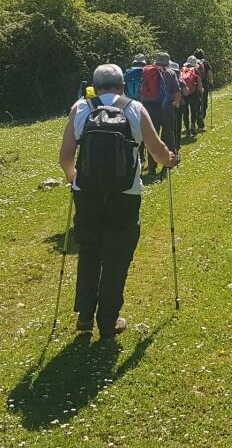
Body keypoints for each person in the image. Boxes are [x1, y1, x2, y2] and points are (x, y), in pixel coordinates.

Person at [58, 64, 179, 339]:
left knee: (89, 251)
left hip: (86, 194)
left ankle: (85, 315)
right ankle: (108, 321)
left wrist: (74, 178)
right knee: (116, 258)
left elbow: (65, 156)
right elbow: (158, 152)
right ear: (123, 86)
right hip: (125, 195)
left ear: (95, 86)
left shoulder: (80, 108)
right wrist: (171, 160)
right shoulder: (134, 108)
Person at [140, 52, 180, 174]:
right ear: (167, 62)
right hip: (166, 109)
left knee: (153, 138)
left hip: (150, 109)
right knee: (168, 136)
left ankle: (152, 168)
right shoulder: (171, 73)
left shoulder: (147, 72)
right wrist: (176, 104)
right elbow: (177, 90)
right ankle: (167, 166)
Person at [180, 57, 204, 138]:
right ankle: (193, 125)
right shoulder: (195, 70)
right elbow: (199, 82)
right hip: (194, 94)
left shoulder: (182, 70)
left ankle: (187, 129)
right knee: (193, 110)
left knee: (185, 112)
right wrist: (201, 90)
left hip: (184, 94)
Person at [193, 49, 212, 131]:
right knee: (204, 103)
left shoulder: (192, 63)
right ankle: (201, 117)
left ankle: (195, 120)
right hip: (204, 85)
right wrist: (211, 82)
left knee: (196, 103)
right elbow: (210, 73)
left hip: (194, 86)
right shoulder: (205, 63)